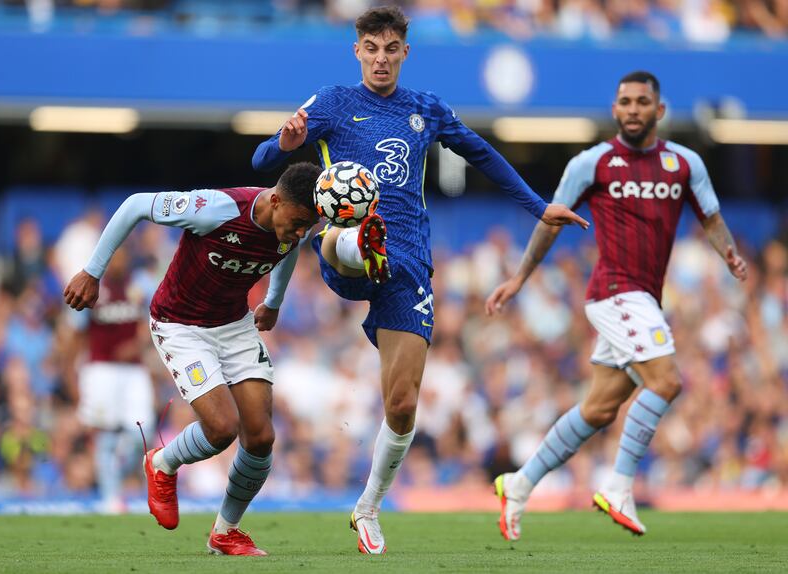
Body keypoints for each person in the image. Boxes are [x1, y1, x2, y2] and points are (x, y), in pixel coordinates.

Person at [252, 5, 588, 554]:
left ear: (405, 52)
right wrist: (286, 146)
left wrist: (536, 206)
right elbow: (263, 153)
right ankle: (361, 237)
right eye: (371, 48)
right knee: (344, 235)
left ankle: (366, 508)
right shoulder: (333, 102)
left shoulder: (424, 109)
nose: (381, 59)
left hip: (407, 267)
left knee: (403, 404)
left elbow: (480, 153)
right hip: (344, 248)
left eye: (391, 49)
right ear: (356, 50)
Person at [485, 71, 748, 539]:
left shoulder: (684, 164)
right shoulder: (592, 163)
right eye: (624, 101)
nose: (632, 109)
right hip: (613, 291)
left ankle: (519, 484)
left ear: (659, 111)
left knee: (600, 409)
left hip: (644, 297)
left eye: (642, 102)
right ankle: (620, 486)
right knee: (666, 381)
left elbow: (711, 218)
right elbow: (549, 223)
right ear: (614, 109)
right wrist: (519, 278)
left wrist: (727, 252)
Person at [64, 162, 322, 556]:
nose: (302, 232)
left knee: (262, 436)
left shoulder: (291, 225)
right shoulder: (216, 209)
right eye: (300, 221)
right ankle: (163, 462)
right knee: (221, 427)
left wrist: (272, 301)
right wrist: (92, 272)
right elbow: (135, 205)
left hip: (234, 324)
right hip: (180, 324)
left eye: (309, 225)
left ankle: (226, 532)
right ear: (275, 200)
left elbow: (288, 250)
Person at [66, 245, 155, 514]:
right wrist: (71, 375)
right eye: (113, 255)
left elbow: (155, 322)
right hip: (101, 369)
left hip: (134, 371)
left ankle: (115, 477)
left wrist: (138, 344)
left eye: (123, 254)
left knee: (143, 431)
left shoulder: (140, 285)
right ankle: (111, 497)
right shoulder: (92, 287)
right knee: (104, 433)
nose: (118, 260)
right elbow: (76, 333)